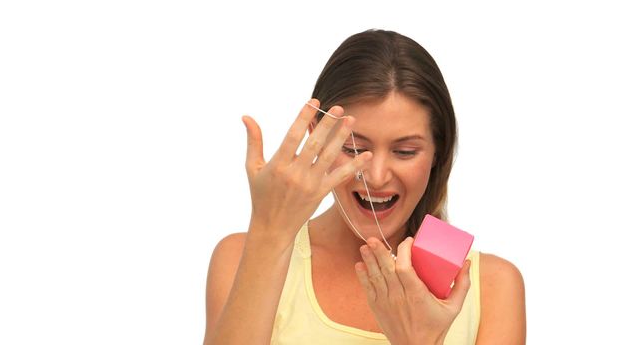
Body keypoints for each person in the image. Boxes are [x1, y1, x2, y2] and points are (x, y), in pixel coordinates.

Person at [204, 29, 526, 344]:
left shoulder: (494, 288)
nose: (376, 176)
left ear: (437, 152)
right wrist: (269, 232)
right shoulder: (243, 257)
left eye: (405, 151)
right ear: (319, 138)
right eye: (354, 149)